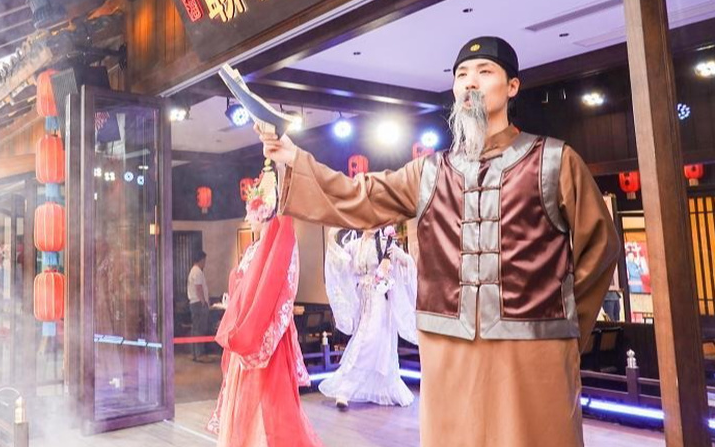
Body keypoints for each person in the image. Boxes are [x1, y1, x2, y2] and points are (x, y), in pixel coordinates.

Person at [258, 36, 619, 447]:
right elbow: (361, 196)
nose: (470, 82)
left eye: (484, 72)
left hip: (531, 352)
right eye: (461, 75)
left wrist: (564, 330)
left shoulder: (554, 160)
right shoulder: (430, 172)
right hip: (449, 350)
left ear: (512, 86)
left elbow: (600, 247)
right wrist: (294, 158)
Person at [206, 167, 322, 447]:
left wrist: (254, 327)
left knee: (271, 401)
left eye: (251, 211)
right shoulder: (253, 250)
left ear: (262, 212)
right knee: (247, 400)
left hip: (264, 332)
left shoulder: (278, 245)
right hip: (246, 328)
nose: (249, 219)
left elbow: (274, 289)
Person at [320, 225, 417, 409]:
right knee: (365, 340)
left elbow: (406, 264)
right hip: (363, 301)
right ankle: (367, 388)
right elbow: (340, 265)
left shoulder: (385, 243)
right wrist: (331, 238)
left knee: (369, 341)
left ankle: (345, 389)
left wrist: (399, 256)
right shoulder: (355, 245)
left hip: (380, 301)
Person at [187, 250, 211, 361]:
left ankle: (194, 353)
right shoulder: (197, 272)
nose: (205, 263)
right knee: (200, 329)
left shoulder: (193, 271)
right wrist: (203, 302)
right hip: (198, 303)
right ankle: (200, 354)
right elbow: (199, 288)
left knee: (195, 329)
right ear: (201, 260)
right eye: (204, 260)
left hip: (194, 303)